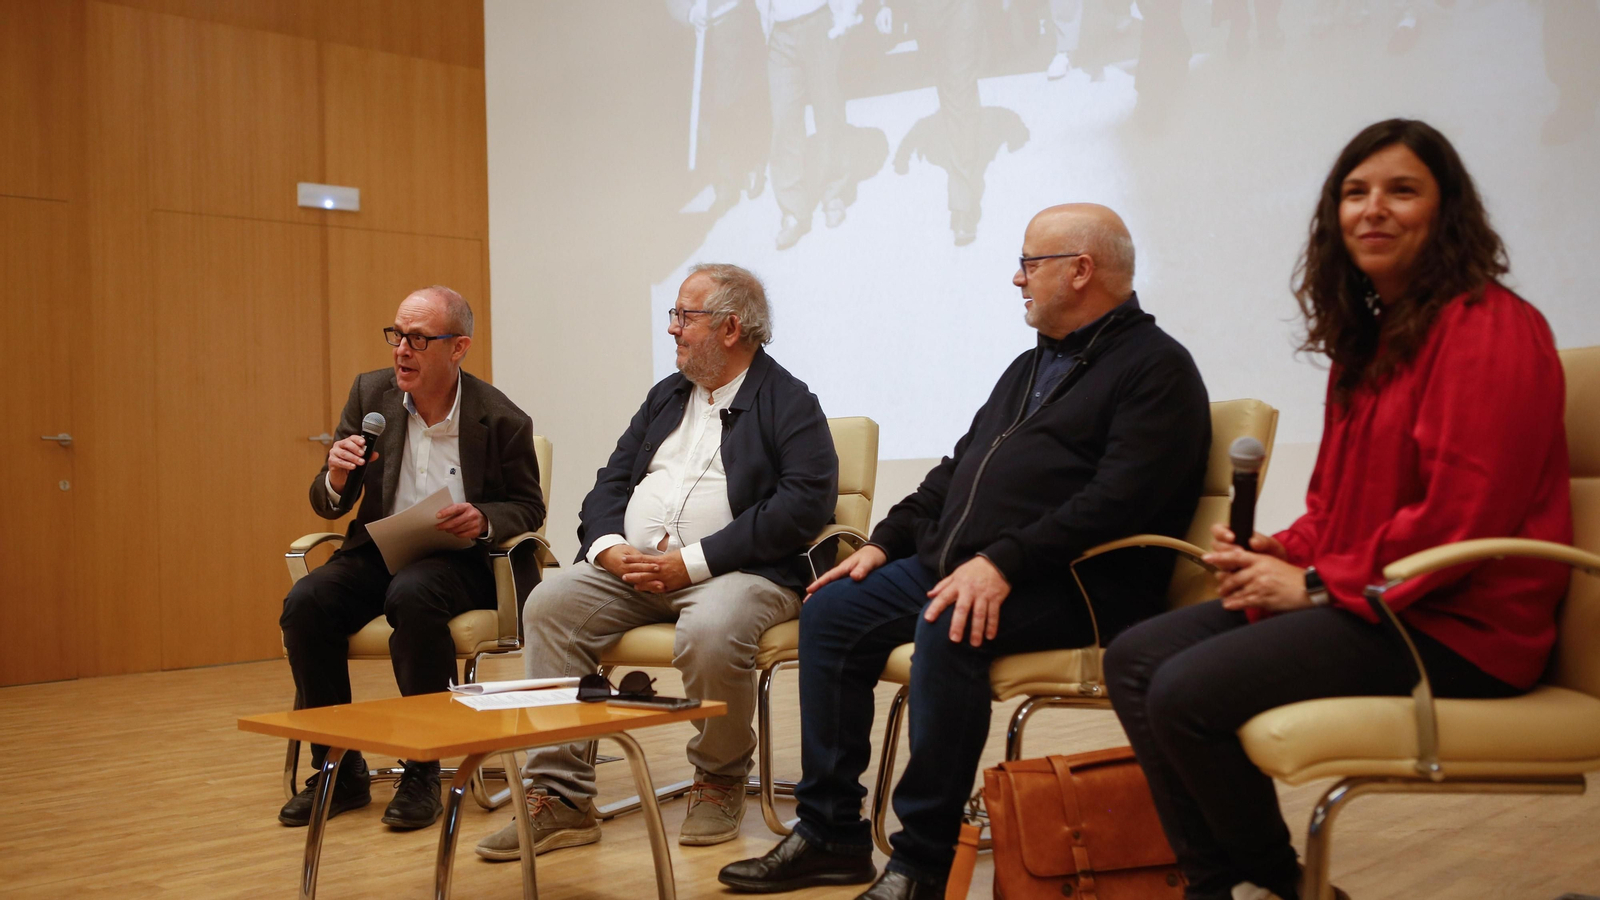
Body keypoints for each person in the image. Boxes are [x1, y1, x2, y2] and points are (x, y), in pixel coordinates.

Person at [1103, 119, 1572, 900]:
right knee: (1136, 658)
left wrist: (1316, 584)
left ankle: (1275, 887)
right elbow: (1335, 506)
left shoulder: (1490, 328)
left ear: (1447, 209)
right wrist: (1279, 554)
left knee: (1186, 692)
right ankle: (1220, 885)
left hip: (1456, 625)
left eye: (1402, 190)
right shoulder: (1371, 342)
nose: (1373, 210)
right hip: (1370, 599)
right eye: (1355, 193)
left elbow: (1465, 516)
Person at [720, 204, 1212, 900]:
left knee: (949, 623)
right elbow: (956, 472)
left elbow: (1116, 502)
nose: (1017, 279)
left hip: (1080, 585)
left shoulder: (1157, 371)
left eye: (1030, 263)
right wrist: (884, 544)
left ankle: (924, 861)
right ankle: (830, 832)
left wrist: (1003, 562)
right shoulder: (1028, 367)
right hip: (970, 565)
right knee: (832, 609)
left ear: (1081, 270)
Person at [474, 263, 837, 859]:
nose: (672, 330)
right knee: (548, 603)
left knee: (713, 626)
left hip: (741, 574)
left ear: (729, 328)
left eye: (683, 317)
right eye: (673, 315)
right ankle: (562, 798)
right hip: (633, 572)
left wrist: (690, 564)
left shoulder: (789, 403)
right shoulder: (666, 396)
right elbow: (608, 486)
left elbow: (801, 507)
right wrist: (610, 549)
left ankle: (720, 777)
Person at [278, 286, 546, 830]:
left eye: (419, 339)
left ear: (458, 347)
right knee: (306, 601)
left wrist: (485, 519)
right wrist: (334, 474)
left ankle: (423, 770)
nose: (402, 349)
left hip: (464, 560)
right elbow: (331, 502)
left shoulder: (500, 419)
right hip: (380, 549)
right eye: (397, 335)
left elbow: (527, 506)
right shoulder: (371, 395)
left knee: (414, 593)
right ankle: (338, 769)